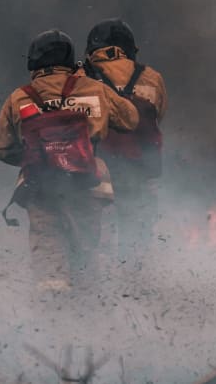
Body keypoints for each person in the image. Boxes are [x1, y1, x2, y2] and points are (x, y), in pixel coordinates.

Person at [0, 29, 138, 292]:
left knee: (48, 245)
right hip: (89, 182)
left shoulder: (19, 97)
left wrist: (39, 155)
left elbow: (2, 148)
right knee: (89, 247)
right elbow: (130, 119)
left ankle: (54, 313)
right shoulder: (94, 89)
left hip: (40, 184)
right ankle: (92, 307)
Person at [83, 18, 167, 265]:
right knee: (138, 235)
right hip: (139, 168)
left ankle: (99, 293)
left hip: (95, 169)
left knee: (98, 237)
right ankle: (135, 292)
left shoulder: (80, 77)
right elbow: (158, 115)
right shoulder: (152, 78)